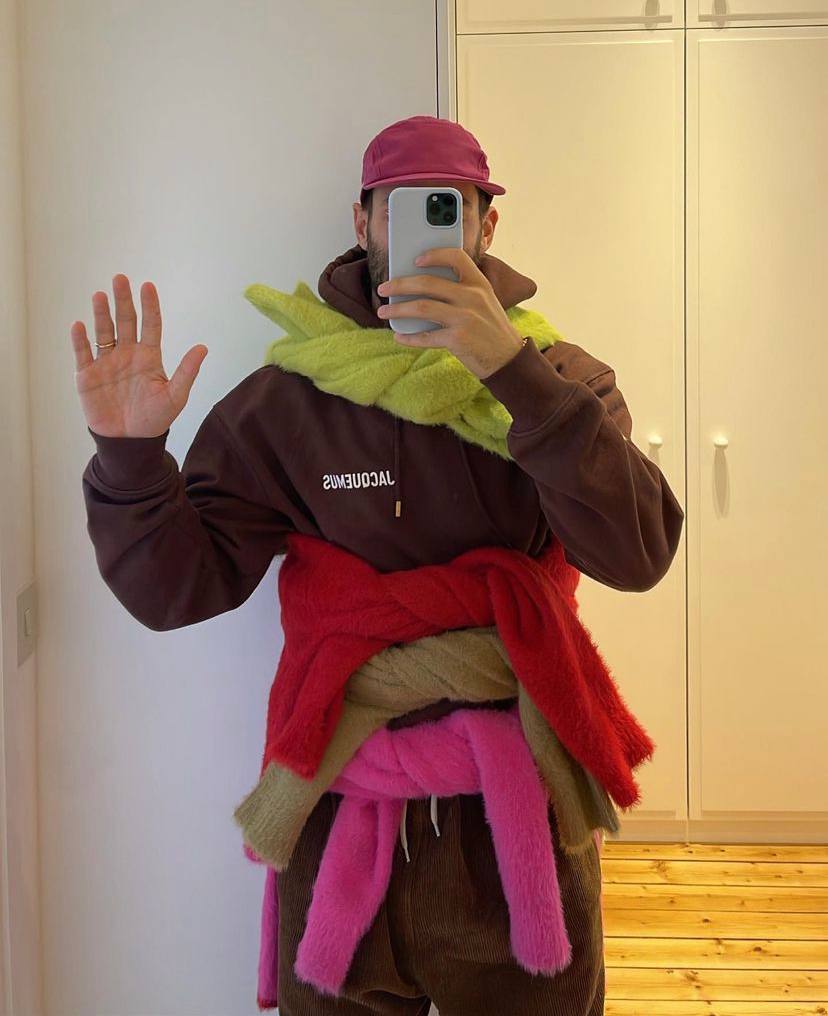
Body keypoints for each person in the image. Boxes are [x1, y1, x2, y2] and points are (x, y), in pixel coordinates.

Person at [72, 114, 684, 1015]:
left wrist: (510, 371)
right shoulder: (288, 400)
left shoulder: (559, 380)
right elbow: (178, 591)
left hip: (517, 823)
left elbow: (638, 553)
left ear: (485, 226)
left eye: (449, 207)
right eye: (398, 209)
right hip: (341, 816)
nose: (423, 229)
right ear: (362, 224)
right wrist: (130, 460)